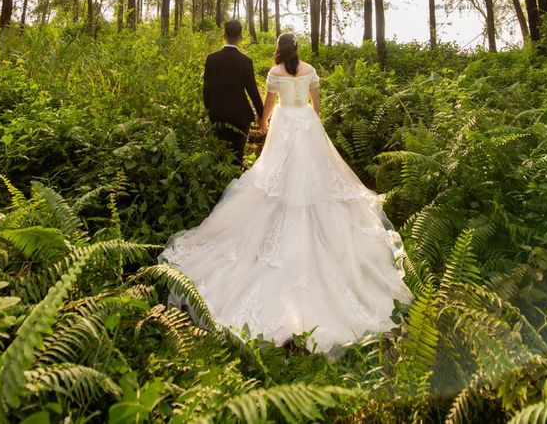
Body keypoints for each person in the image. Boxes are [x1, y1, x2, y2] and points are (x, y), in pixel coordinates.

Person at [160, 32, 413, 354]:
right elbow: (316, 106)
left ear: (280, 50)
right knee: (312, 176)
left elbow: (268, 105)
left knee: (275, 177)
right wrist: (309, 122)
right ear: (299, 50)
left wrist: (264, 123)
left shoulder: (275, 73)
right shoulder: (309, 70)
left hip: (285, 123)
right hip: (305, 123)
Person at [203, 18, 264, 167]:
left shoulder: (211, 59)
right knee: (237, 157)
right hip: (240, 116)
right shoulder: (245, 61)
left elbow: (207, 87)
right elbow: (252, 90)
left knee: (218, 155)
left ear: (224, 35)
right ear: (241, 37)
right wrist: (262, 116)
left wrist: (209, 109)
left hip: (217, 114)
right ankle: (234, 183)